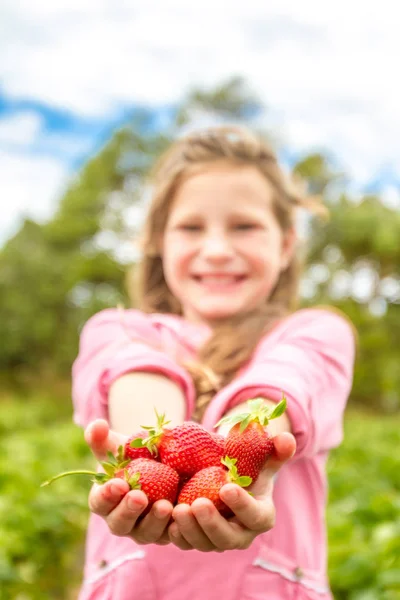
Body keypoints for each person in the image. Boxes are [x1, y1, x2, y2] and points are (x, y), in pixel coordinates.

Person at [71, 125, 356, 600]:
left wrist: (232, 466)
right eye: (191, 227)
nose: (218, 249)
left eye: (244, 226)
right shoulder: (117, 328)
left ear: (285, 245)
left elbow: (284, 385)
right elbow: (138, 383)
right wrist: (154, 475)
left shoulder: (316, 332)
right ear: (158, 242)